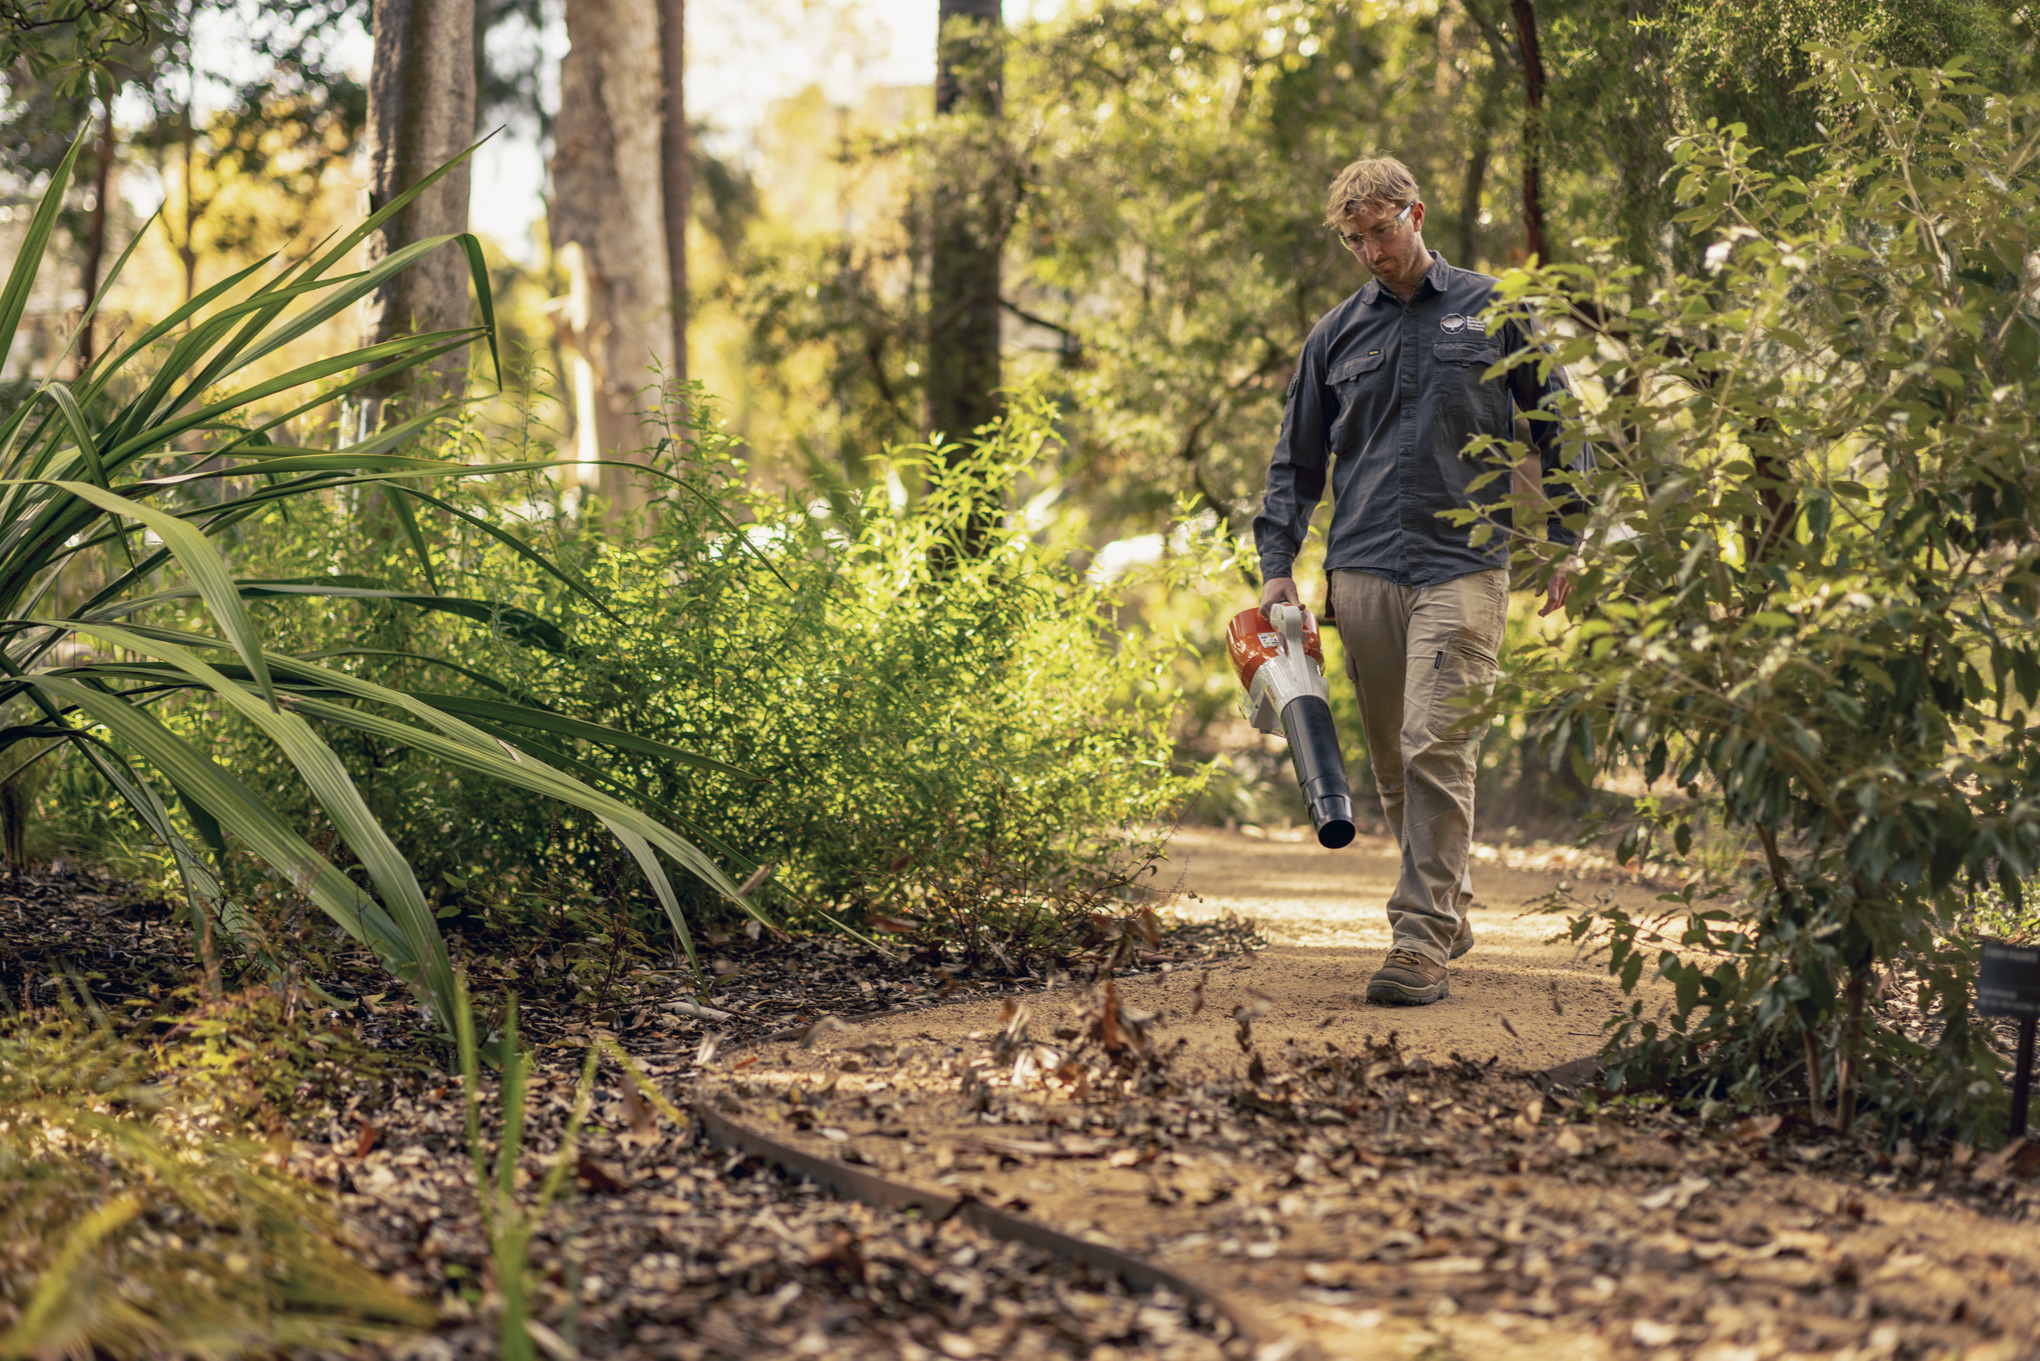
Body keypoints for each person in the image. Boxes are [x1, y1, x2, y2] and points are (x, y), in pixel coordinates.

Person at [1251, 156, 1587, 1007]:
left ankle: (1418, 938)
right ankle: (1446, 904)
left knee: (1438, 742)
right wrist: (1276, 567)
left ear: (1417, 213)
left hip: (1465, 562)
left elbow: (1558, 419)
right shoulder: (1334, 335)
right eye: (1353, 238)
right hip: (1362, 566)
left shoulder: (1492, 311)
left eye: (1381, 230)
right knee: (1396, 762)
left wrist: (1568, 535)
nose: (1370, 250)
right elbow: (1295, 462)